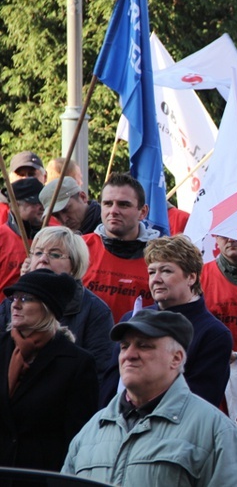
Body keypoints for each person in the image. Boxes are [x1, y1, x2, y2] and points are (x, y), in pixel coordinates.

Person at [62, 309, 237, 486]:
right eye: (124, 346)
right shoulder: (92, 430)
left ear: (176, 358)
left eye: (144, 346)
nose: (129, 355)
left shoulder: (216, 431)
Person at [101, 235, 233, 408]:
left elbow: (200, 401)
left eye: (166, 271)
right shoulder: (132, 319)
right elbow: (109, 389)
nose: (156, 279)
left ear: (191, 278)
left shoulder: (214, 334)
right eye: (151, 272)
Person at [0, 269, 98, 474]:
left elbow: (77, 436)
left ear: (48, 307)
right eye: (14, 298)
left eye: (26, 298)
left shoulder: (77, 363)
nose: (15, 305)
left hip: (42, 476)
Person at [0, 226, 114, 383]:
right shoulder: (10, 302)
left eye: (55, 254)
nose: (43, 259)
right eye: (38, 253)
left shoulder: (95, 311)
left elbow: (98, 373)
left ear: (74, 265)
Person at [82, 173, 159, 321]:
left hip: (139, 342)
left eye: (123, 204)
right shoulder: (78, 248)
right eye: (108, 203)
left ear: (142, 212)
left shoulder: (162, 256)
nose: (113, 211)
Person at [0, 178, 45, 292]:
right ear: (15, 205)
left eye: (44, 201)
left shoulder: (53, 237)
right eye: (35, 202)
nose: (42, 207)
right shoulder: (2, 237)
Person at [0, 151, 47, 224]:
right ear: (9, 178)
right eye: (21, 174)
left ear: (45, 177)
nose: (26, 178)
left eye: (32, 174)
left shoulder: (54, 205)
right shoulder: (1, 209)